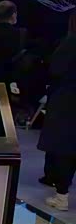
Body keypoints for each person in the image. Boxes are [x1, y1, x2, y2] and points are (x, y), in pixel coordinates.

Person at [37, 14, 76, 211]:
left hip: (67, 102)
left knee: (65, 149)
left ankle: (62, 196)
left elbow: (56, 69)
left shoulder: (70, 43)